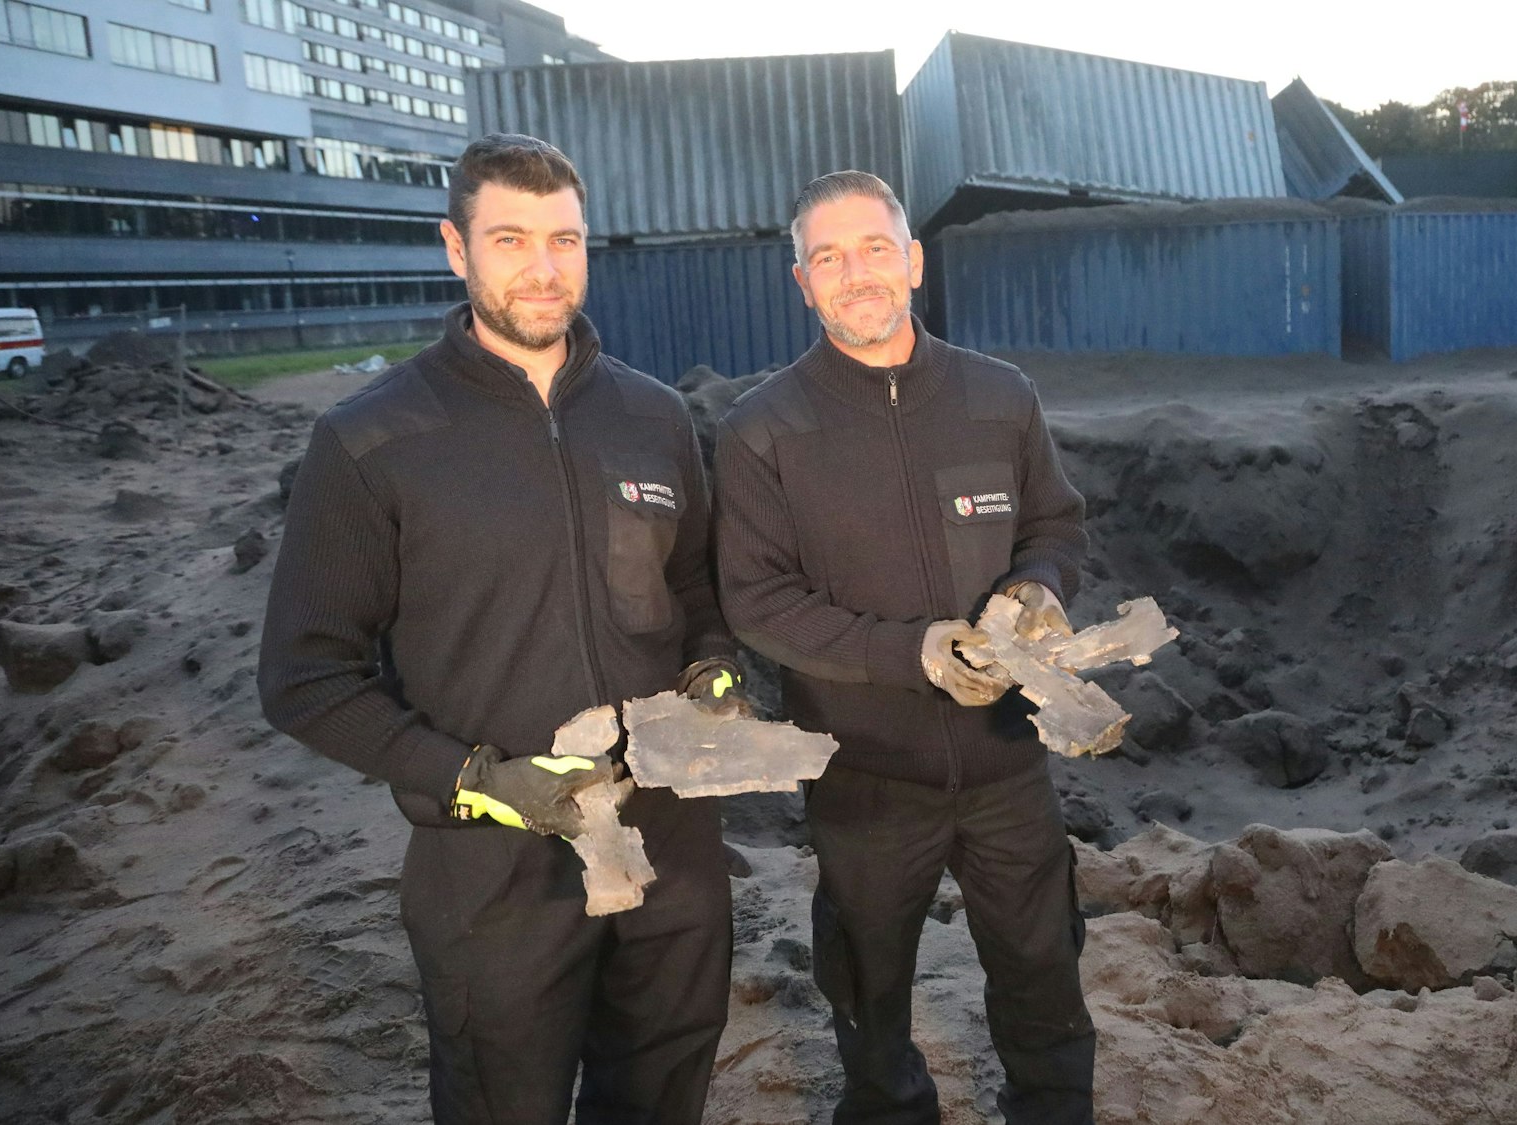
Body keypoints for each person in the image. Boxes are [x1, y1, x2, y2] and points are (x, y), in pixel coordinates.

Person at [258, 133, 742, 1125]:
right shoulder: (372, 440)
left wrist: (714, 676)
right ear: (455, 248)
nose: (542, 267)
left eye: (563, 239)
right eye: (510, 238)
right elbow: (305, 677)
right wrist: (475, 780)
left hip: (669, 854)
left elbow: (697, 593)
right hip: (494, 880)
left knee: (660, 1096)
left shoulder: (654, 419)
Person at [713, 170, 1095, 1125]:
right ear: (800, 280)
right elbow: (757, 601)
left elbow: (1056, 523)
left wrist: (1036, 586)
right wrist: (915, 651)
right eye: (828, 258)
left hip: (1009, 767)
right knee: (869, 999)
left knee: (1044, 976)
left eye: (875, 248)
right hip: (864, 778)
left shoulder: (1000, 398)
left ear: (914, 260)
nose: (856, 274)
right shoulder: (763, 430)